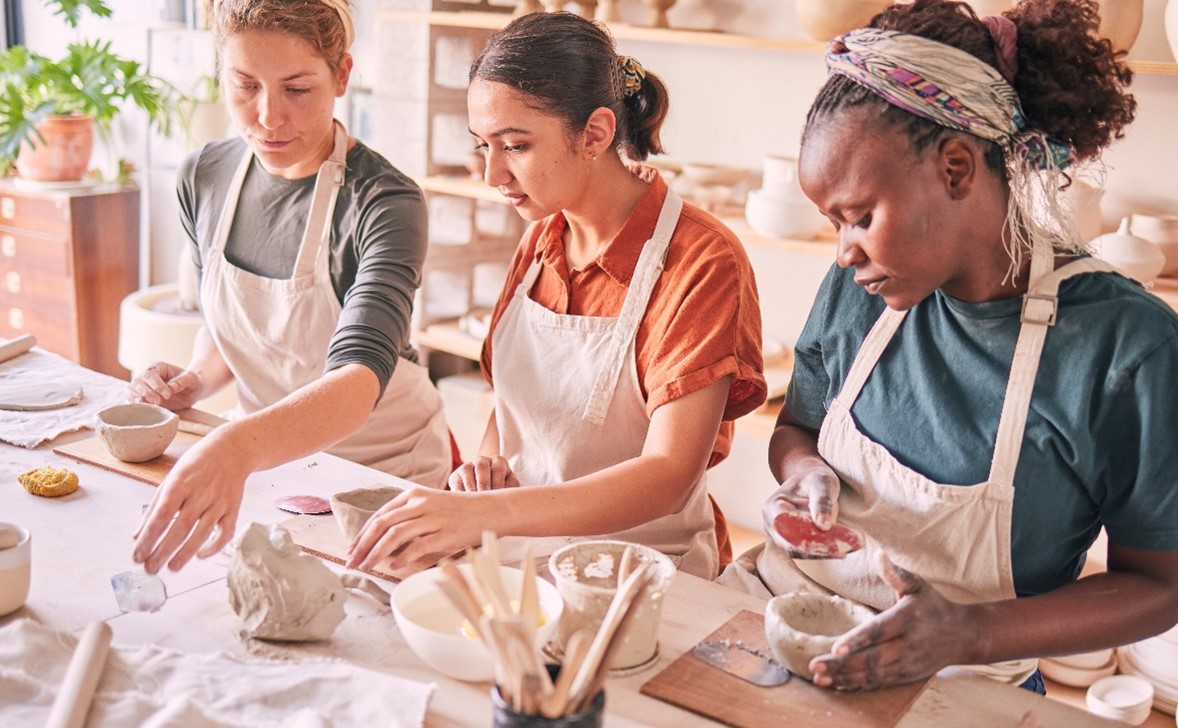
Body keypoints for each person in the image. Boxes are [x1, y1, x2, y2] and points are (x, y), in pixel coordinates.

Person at [720, 0, 1178, 694]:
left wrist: (970, 631)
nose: (844, 252)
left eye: (860, 217)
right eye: (834, 224)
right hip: (780, 620)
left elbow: (1161, 584)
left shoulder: (1122, 347)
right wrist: (803, 470)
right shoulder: (866, 288)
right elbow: (797, 427)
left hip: (963, 680)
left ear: (957, 168)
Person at [347, 11, 766, 580]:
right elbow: (512, 405)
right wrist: (488, 466)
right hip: (522, 551)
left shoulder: (702, 262)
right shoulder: (542, 239)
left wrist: (488, 514)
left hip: (643, 570)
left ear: (594, 134)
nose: (493, 172)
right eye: (483, 145)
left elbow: (669, 474)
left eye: (515, 145)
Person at [128, 0, 451, 575]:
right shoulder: (203, 177)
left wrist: (234, 446)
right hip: (271, 466)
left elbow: (356, 380)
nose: (268, 116)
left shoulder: (385, 203)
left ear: (342, 76)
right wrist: (198, 379)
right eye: (245, 86)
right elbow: (236, 328)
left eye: (297, 89)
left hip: (381, 477)